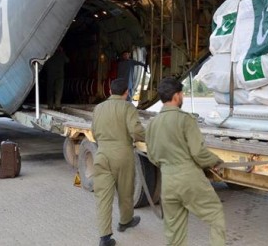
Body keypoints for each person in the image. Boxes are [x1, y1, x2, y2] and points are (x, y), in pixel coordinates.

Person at [146, 77, 225, 246]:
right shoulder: (185, 119)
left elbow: (152, 156)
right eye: (182, 94)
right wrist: (215, 161)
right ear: (176, 96)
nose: (182, 97)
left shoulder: (152, 124)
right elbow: (198, 152)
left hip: (168, 181)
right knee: (215, 213)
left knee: (174, 232)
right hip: (189, 178)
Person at [91, 78, 145, 246]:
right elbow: (136, 132)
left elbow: (94, 132)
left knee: (103, 197)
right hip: (122, 155)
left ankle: (104, 238)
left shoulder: (98, 108)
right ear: (127, 92)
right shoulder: (128, 107)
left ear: (110, 91)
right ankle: (125, 221)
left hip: (101, 155)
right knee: (125, 191)